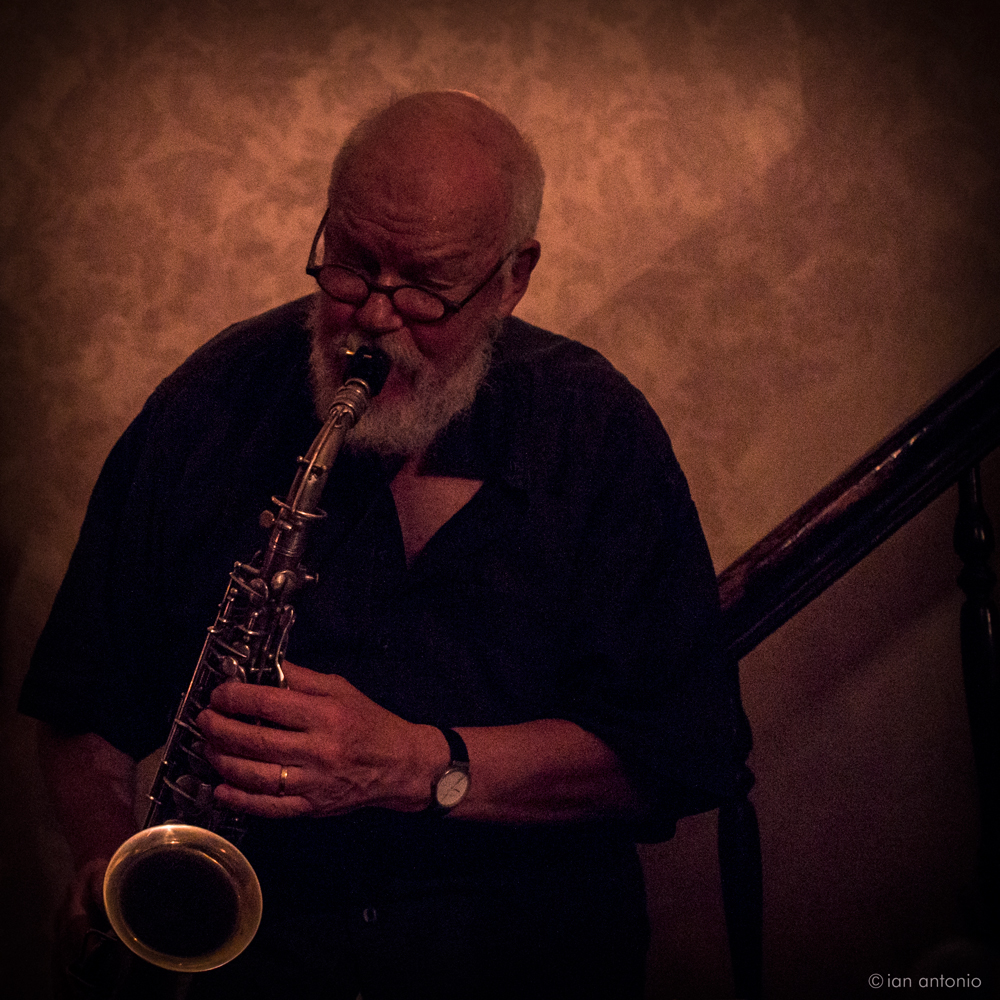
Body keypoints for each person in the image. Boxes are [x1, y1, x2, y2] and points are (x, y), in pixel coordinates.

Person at [21, 91, 750, 999]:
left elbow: (682, 750)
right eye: (352, 265)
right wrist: (111, 863)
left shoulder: (594, 430)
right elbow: (83, 704)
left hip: (526, 967)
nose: (373, 316)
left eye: (426, 285)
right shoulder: (211, 403)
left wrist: (416, 764)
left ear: (513, 277)